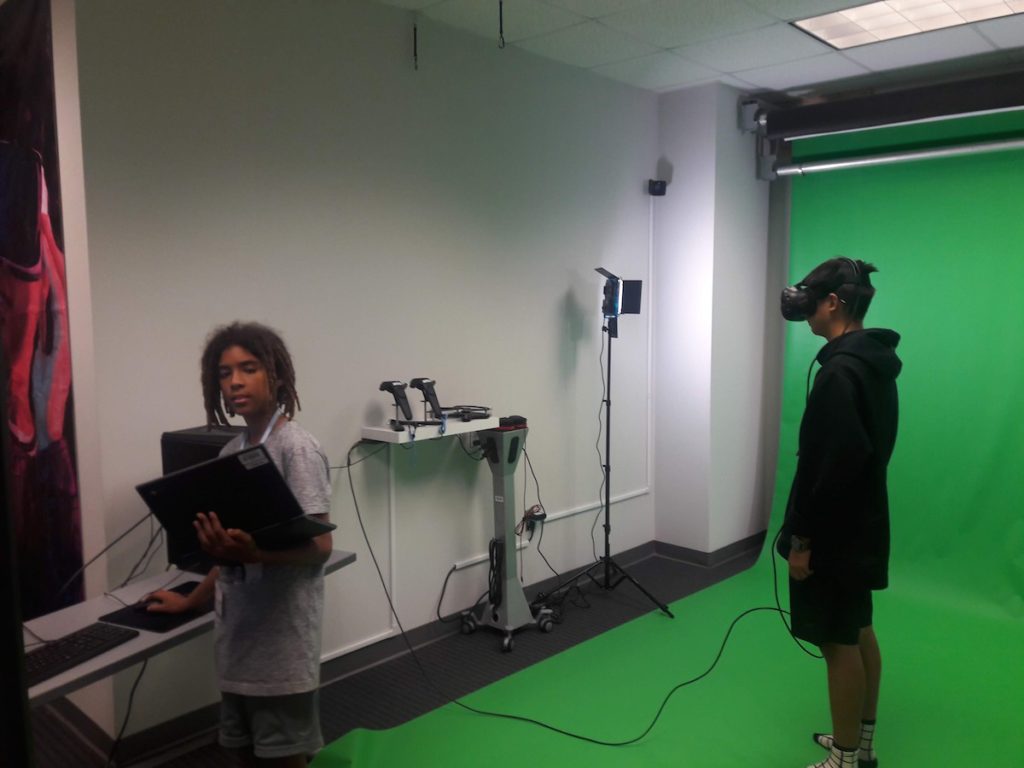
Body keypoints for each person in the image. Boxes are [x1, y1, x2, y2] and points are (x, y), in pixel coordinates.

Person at [147, 321, 333, 768]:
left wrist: (259, 555)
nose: (234, 382)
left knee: (283, 758)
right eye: (224, 374)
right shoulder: (231, 452)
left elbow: (321, 548)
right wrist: (190, 601)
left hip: (281, 653)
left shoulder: (297, 448)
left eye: (247, 369)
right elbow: (227, 556)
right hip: (237, 647)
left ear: (276, 376)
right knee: (238, 753)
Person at [777, 258, 901, 768]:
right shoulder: (873, 364)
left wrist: (802, 543)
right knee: (859, 630)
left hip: (834, 537)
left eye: (813, 298)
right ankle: (861, 745)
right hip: (864, 525)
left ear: (833, 303)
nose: (806, 309)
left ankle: (845, 759)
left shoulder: (838, 376)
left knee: (836, 642)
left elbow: (829, 471)